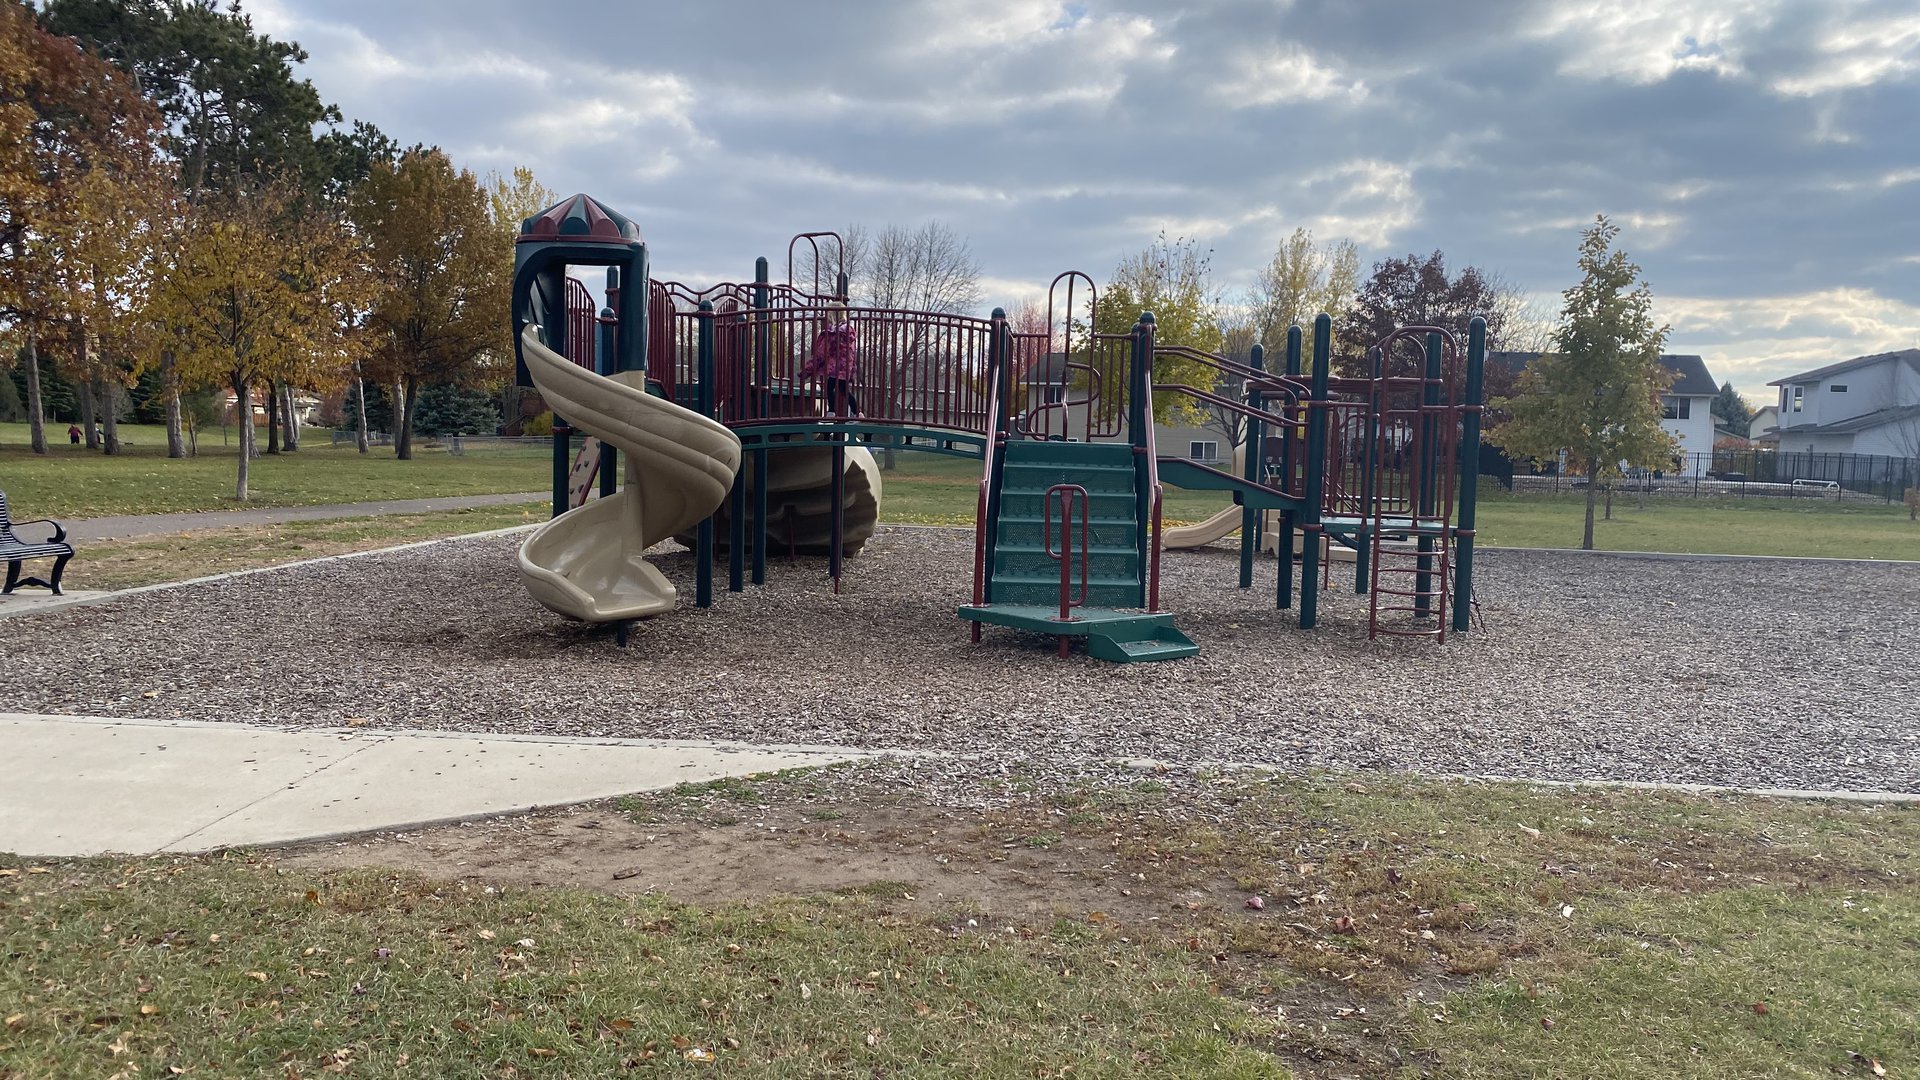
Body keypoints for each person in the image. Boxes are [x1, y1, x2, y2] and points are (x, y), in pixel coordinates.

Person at [802, 301, 860, 417]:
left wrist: (810, 368)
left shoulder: (833, 331)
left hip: (835, 365)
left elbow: (824, 351)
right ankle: (855, 412)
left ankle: (833, 411)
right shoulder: (848, 329)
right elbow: (851, 352)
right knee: (843, 389)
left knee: (830, 387)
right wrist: (852, 368)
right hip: (845, 366)